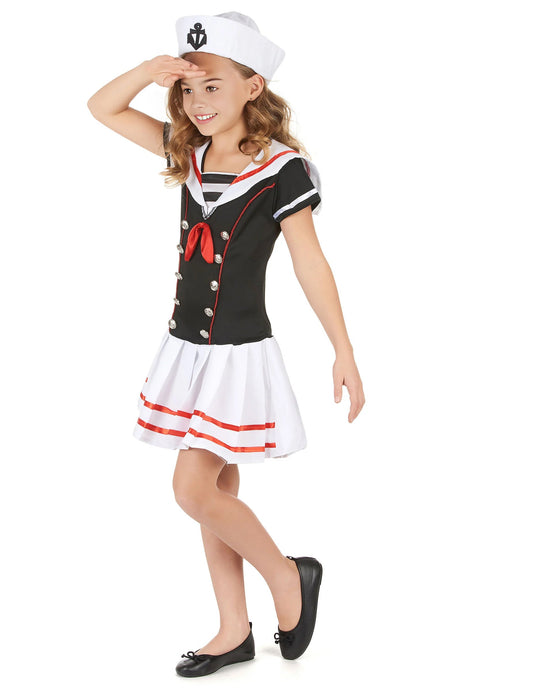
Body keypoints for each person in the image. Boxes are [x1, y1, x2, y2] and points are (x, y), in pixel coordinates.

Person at [87, 10, 365, 678]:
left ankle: (289, 575)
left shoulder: (282, 169)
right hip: (186, 349)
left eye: (213, 85)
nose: (197, 101)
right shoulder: (188, 153)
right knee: (217, 492)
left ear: (253, 85)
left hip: (237, 356)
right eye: (188, 88)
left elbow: (309, 261)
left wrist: (343, 349)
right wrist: (149, 70)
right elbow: (102, 107)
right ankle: (233, 629)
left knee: (192, 489)